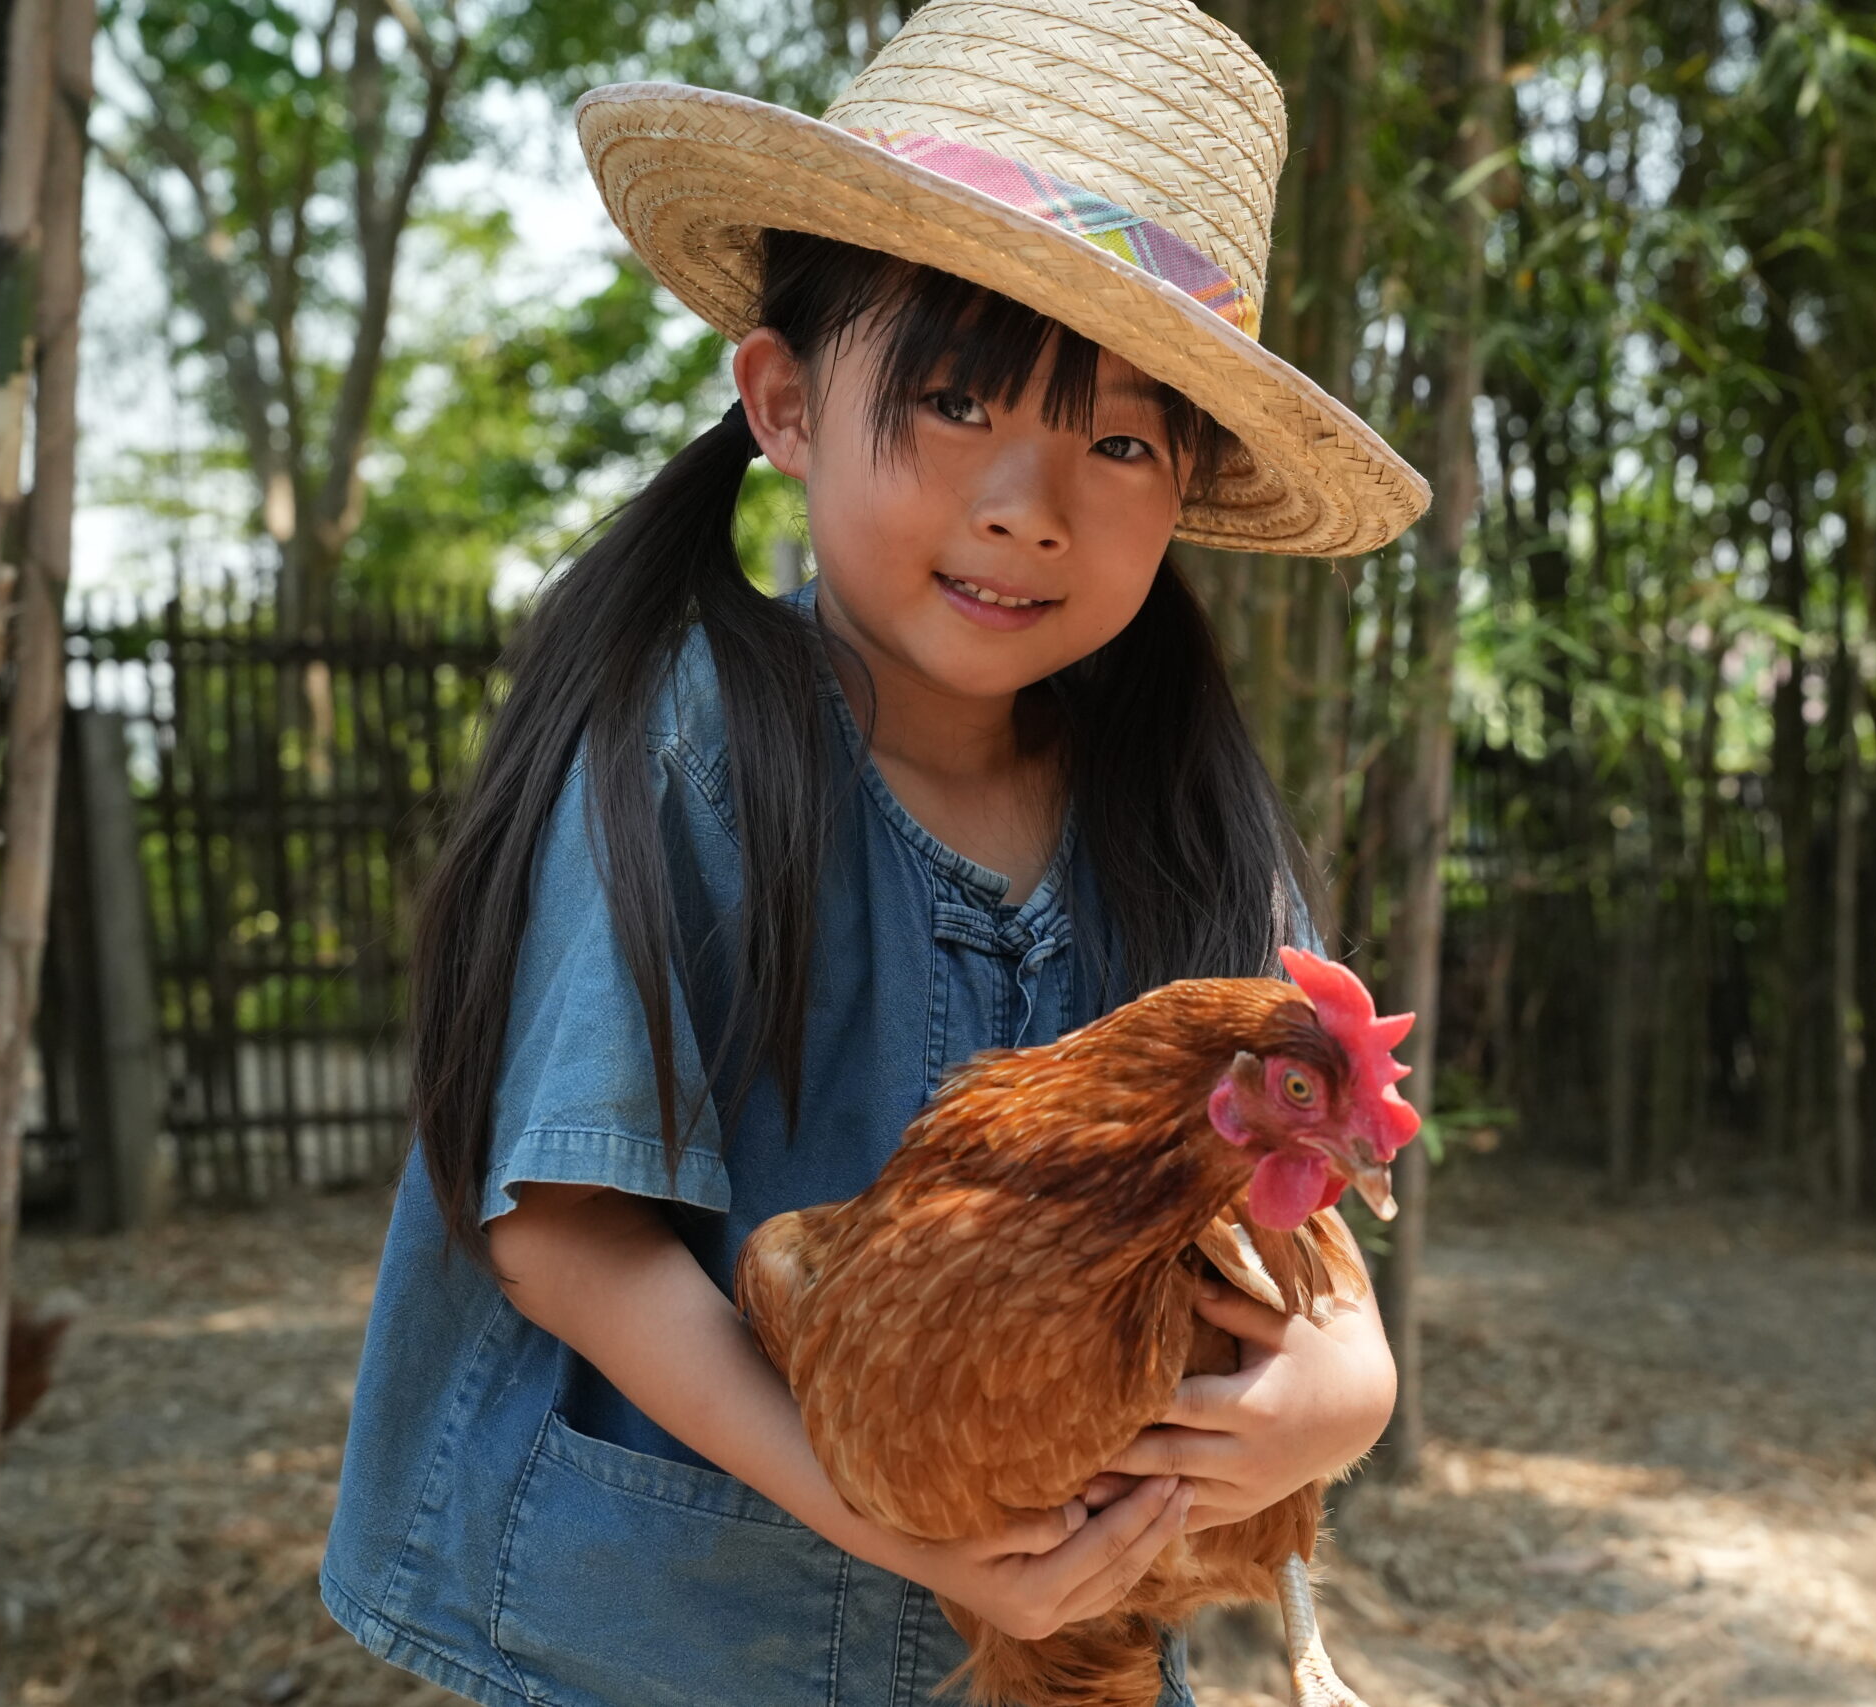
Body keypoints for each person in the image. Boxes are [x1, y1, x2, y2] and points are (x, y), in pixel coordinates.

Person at [319, 1, 1431, 1702]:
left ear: (1187, 484)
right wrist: (889, 1515)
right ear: (783, 402)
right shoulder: (682, 744)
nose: (1026, 499)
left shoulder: (1185, 807)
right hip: (666, 1637)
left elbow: (1301, 1194)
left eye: (1118, 437)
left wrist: (1347, 1388)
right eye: (956, 395)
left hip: (1065, 1634)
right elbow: (559, 1226)